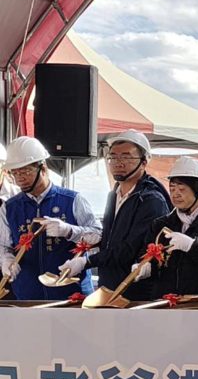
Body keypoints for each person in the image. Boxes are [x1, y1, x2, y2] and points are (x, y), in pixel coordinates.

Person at [60, 129, 170, 301]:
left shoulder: (151, 200)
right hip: (109, 285)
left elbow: (129, 248)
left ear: (143, 162)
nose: (118, 163)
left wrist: (87, 262)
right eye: (113, 157)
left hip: (135, 291)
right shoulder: (114, 195)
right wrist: (98, 240)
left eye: (126, 157)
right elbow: (114, 239)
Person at [0, 136, 100, 300]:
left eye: (25, 171)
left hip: (72, 293)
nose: (19, 178)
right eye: (15, 173)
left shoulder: (72, 200)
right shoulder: (9, 207)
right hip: (28, 295)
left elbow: (98, 235)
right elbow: (4, 245)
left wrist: (69, 231)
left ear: (43, 169)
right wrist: (6, 260)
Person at [131, 156, 198, 299]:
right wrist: (145, 267)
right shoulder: (160, 224)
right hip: (166, 303)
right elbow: (147, 256)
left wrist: (192, 246)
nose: (175, 194)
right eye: (172, 189)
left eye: (181, 189)